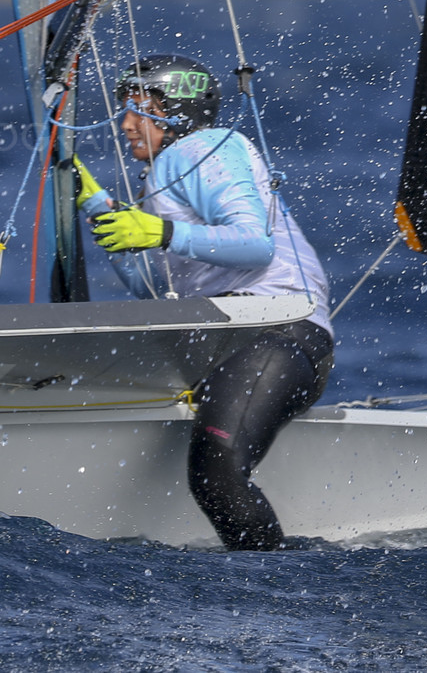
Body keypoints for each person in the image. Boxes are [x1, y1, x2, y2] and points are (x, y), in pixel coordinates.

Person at [72, 54, 331, 550]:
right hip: (240, 341)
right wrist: (95, 204)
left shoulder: (202, 148)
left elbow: (256, 244)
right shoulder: (168, 175)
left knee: (218, 477)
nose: (125, 124)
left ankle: (279, 594)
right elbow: (149, 285)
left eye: (138, 109)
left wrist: (160, 231)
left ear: (176, 113)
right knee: (214, 477)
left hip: (274, 334)